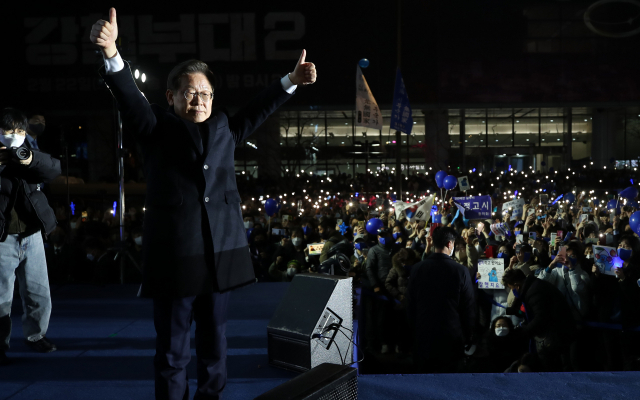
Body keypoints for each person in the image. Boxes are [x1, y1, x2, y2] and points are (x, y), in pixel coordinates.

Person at [90, 8, 316, 400]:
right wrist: (112, 53)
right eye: (191, 92)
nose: (200, 99)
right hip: (175, 257)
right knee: (173, 351)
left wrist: (290, 82)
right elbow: (129, 97)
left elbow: (260, 108)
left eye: (206, 93)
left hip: (220, 256)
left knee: (215, 348)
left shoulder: (225, 126)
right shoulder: (155, 127)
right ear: (172, 96)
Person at [0, 108, 61, 365]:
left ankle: (36, 336)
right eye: (8, 131)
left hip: (32, 233)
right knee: (2, 297)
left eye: (19, 131)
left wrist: (27, 160)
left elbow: (53, 169)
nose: (15, 137)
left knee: (38, 292)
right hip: (3, 238)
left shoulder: (27, 151)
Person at [407, 226, 476, 373]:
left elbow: (410, 303)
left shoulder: (417, 268)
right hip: (451, 334)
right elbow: (468, 306)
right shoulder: (460, 270)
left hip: (423, 331)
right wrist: (469, 334)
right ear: (449, 244)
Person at [502, 268, 577, 372]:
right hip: (556, 335)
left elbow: (541, 318)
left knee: (555, 369)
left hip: (556, 337)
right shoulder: (533, 286)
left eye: (512, 288)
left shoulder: (534, 291)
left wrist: (522, 332)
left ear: (517, 285)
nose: (512, 291)